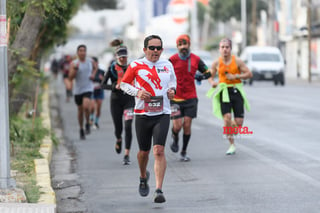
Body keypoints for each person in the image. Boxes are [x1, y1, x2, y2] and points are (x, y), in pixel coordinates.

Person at [120, 35, 176, 203]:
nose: (155, 51)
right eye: (152, 48)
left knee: (158, 150)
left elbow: (173, 82)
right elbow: (124, 84)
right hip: (142, 113)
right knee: (143, 152)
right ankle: (143, 176)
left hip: (163, 113)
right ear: (144, 50)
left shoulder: (167, 65)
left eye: (158, 48)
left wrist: (172, 90)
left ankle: (159, 189)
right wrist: (137, 92)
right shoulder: (136, 65)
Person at [168, 34, 212, 161]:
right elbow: (163, 73)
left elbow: (208, 72)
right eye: (180, 45)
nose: (183, 47)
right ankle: (175, 137)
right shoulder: (172, 60)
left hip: (191, 98)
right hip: (175, 98)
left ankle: (184, 151)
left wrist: (201, 76)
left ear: (189, 45)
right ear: (177, 47)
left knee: (187, 125)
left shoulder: (196, 59)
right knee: (177, 126)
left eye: (185, 44)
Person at [207, 38, 252, 155]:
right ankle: (232, 145)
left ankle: (231, 125)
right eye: (222, 47)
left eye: (227, 47)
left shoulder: (237, 61)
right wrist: (212, 82)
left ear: (230, 49)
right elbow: (210, 75)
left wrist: (236, 76)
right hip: (224, 92)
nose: (225, 49)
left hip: (236, 91)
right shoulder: (216, 63)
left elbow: (249, 74)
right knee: (226, 118)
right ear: (219, 49)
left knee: (238, 123)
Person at [101, 46, 135, 165]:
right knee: (118, 128)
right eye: (120, 57)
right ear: (116, 57)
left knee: (128, 126)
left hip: (129, 101)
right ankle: (119, 139)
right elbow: (103, 85)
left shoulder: (132, 68)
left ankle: (127, 154)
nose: (122, 59)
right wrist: (114, 86)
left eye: (124, 56)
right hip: (116, 101)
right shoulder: (111, 69)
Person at [68, 44, 97, 140]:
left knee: (86, 107)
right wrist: (75, 70)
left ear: (86, 52)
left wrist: (93, 74)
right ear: (77, 53)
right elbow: (70, 78)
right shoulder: (74, 63)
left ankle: (88, 123)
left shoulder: (90, 61)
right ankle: (81, 128)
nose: (82, 52)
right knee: (80, 110)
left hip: (88, 88)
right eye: (80, 51)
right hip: (78, 90)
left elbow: (96, 67)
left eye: (84, 50)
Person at [89, 57, 105, 129]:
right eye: (91, 63)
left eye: (94, 63)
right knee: (92, 106)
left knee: (98, 107)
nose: (93, 64)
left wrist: (102, 79)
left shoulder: (101, 71)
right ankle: (91, 117)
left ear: (97, 63)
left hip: (99, 91)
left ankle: (96, 122)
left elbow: (104, 80)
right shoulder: (89, 71)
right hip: (91, 91)